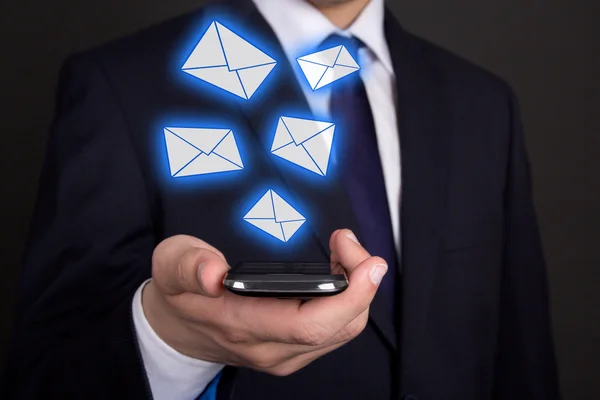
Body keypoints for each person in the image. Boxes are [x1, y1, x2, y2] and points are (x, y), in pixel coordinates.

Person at [3, 0, 560, 399]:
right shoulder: (120, 84)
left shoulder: (484, 104)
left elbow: (524, 358)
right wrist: (172, 343)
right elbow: (50, 372)